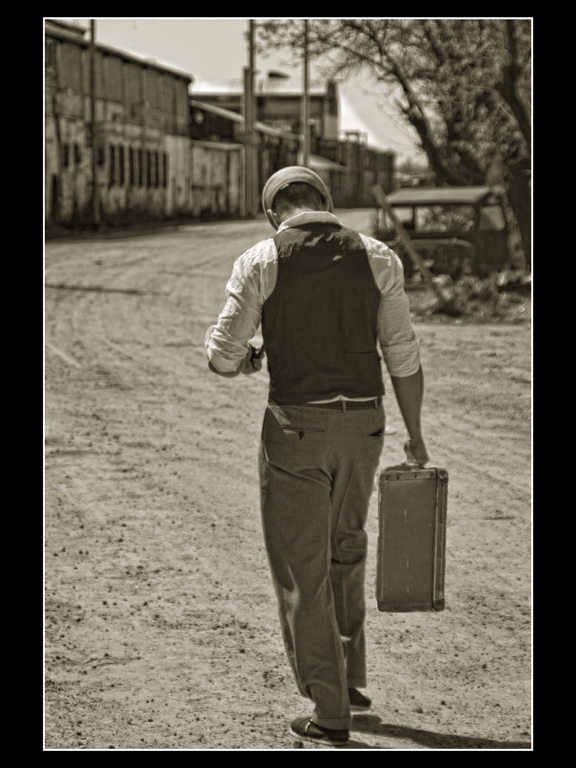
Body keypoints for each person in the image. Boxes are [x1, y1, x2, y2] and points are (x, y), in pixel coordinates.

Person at [205, 166, 429, 747]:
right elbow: (402, 354)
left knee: (302, 569)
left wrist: (248, 359)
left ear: (272, 213)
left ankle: (330, 712)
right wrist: (415, 434)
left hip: (296, 428)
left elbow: (223, 358)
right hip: (365, 425)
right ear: (327, 202)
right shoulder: (377, 256)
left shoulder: (262, 260)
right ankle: (350, 683)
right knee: (345, 548)